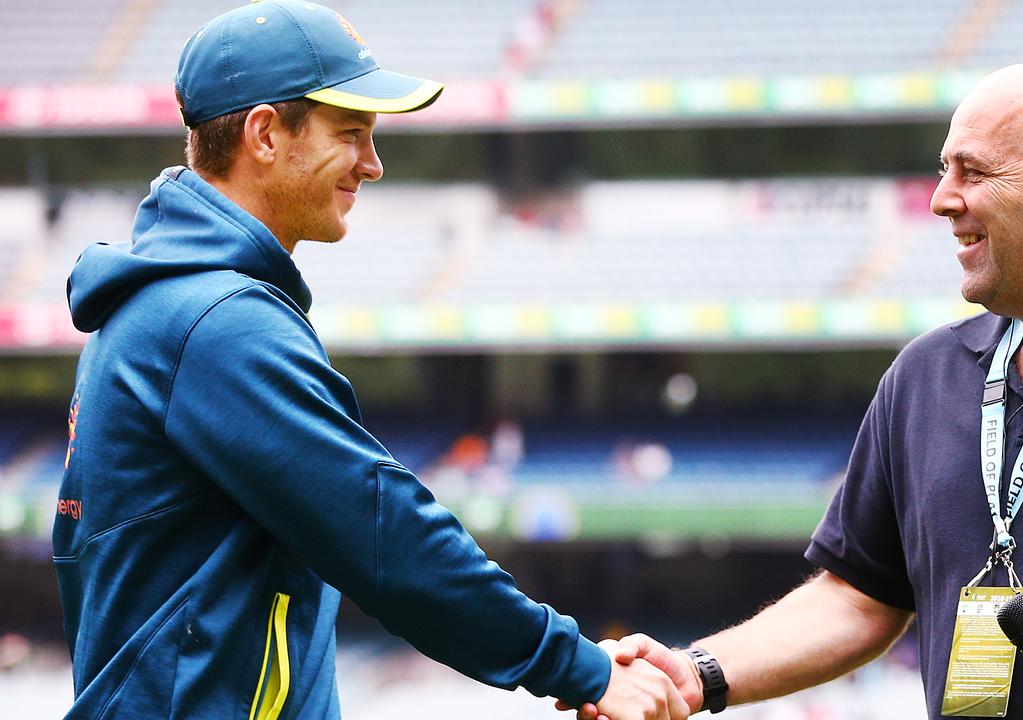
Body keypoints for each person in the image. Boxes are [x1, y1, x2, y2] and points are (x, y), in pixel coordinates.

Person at [566, 47, 1023, 720]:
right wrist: (698, 673)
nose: (941, 200)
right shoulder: (922, 379)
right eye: (944, 170)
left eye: (973, 172)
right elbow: (856, 598)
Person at [55, 2, 686, 719]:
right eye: (351, 134)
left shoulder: (167, 309)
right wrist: (580, 667)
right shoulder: (215, 324)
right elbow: (385, 535)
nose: (373, 164)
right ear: (265, 134)